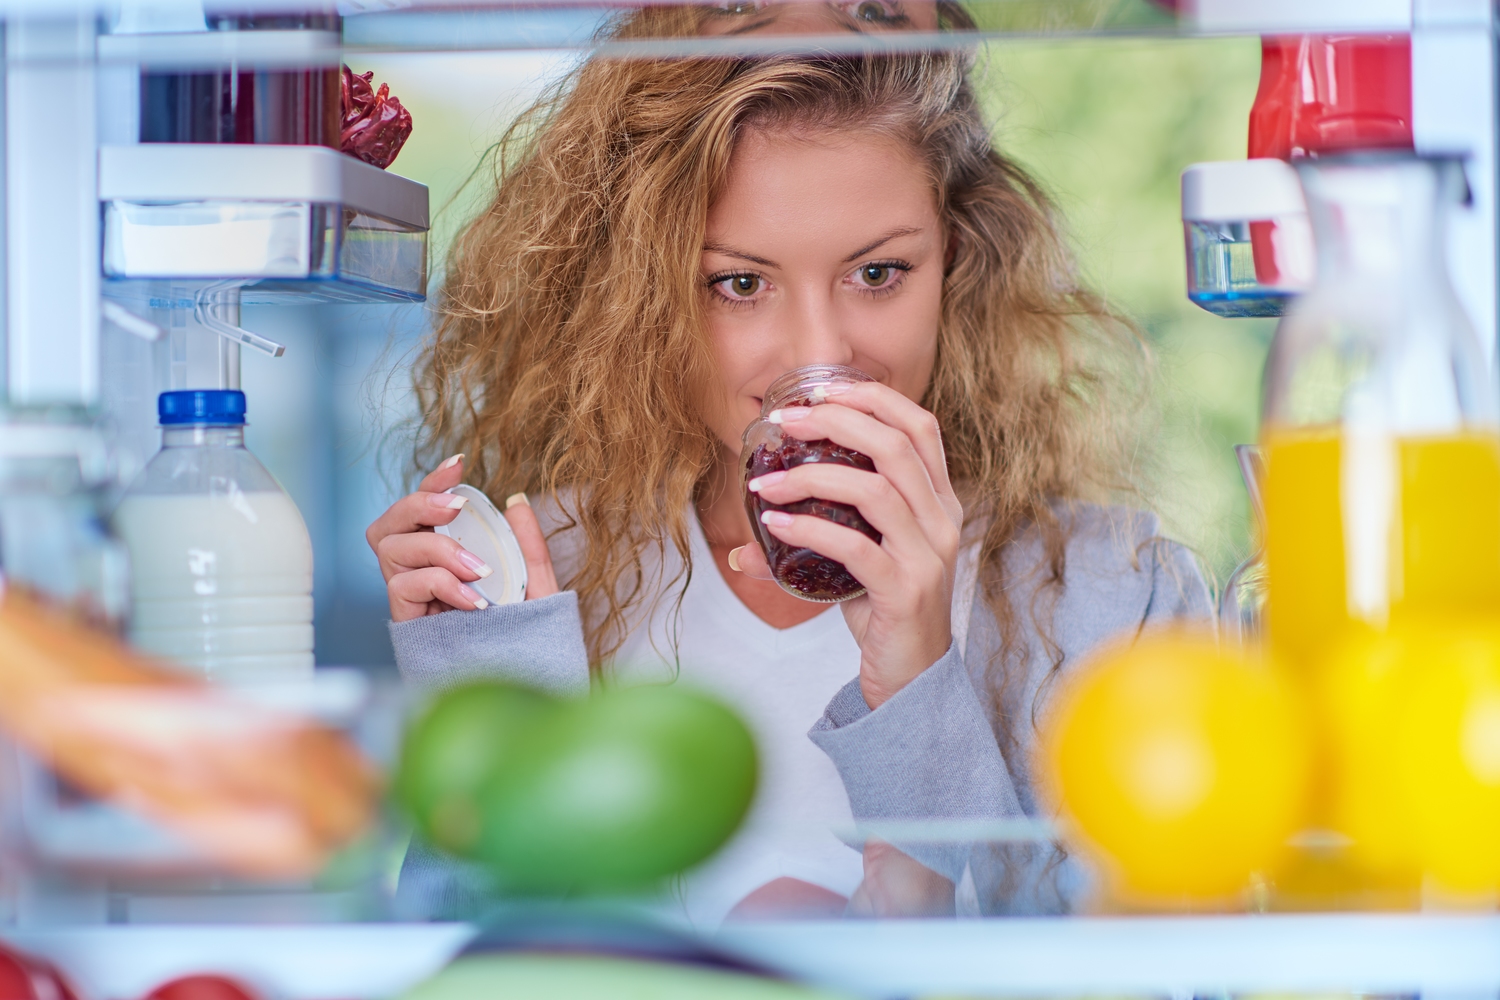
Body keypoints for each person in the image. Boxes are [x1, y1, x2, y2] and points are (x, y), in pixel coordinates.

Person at [366, 2, 1212, 924]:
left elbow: (1157, 974)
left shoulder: (1114, 595)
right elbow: (472, 971)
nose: (822, 356)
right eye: (740, 284)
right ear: (644, 294)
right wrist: (497, 712)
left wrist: (919, 676)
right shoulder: (546, 582)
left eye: (878, 274)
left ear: (955, 263)